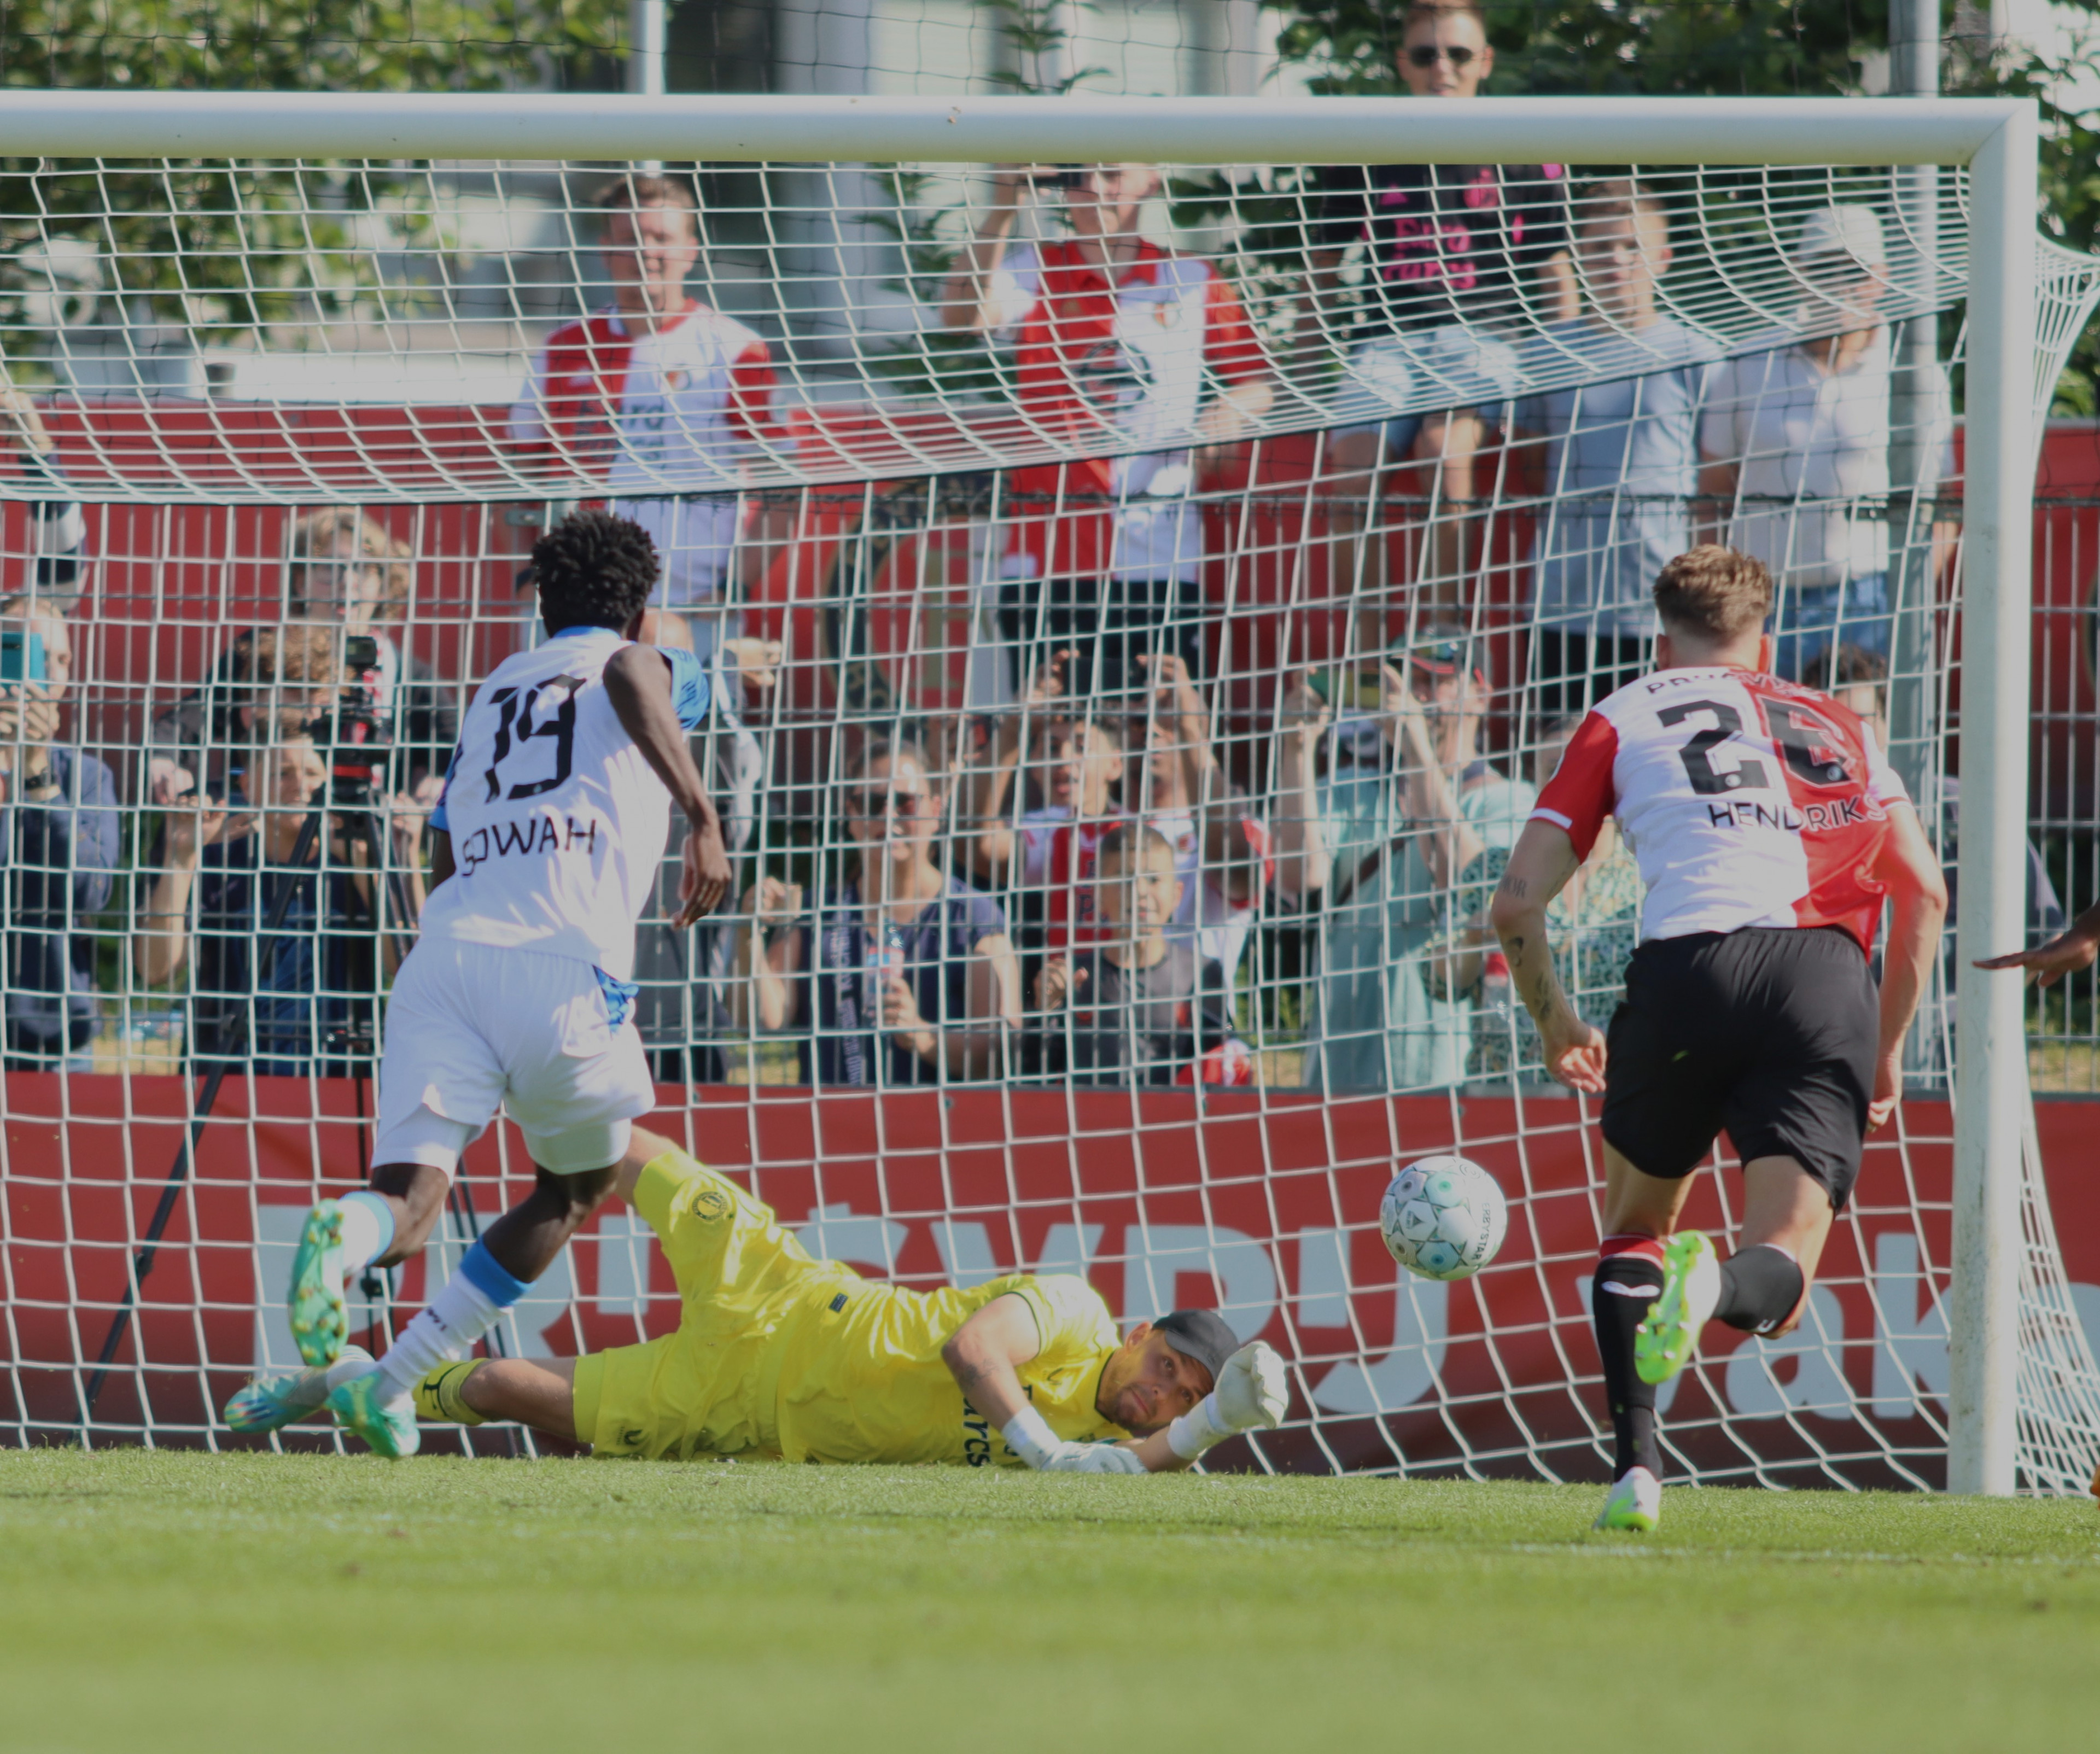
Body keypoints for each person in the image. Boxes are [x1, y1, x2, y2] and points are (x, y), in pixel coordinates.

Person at [254, 509, 734, 1459]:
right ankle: (401, 1370)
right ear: (640, 608)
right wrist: (703, 817)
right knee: (572, 1186)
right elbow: (635, 675)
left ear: (542, 605)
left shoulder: (493, 689)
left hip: (448, 955)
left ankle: (354, 1284)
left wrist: (443, 948)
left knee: (409, 1202)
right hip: (560, 962)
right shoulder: (646, 660)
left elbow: (441, 838)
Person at [1489, 546, 1947, 1533]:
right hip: (1819, 978)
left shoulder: (1623, 713)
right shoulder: (1843, 724)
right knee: (1778, 1267)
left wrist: (1556, 1019)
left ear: (1664, 641)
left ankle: (1637, 1469)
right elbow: (1927, 891)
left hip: (1685, 970)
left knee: (1635, 1226)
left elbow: (1515, 902)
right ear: (1766, 640)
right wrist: (1888, 1045)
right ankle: (1720, 1283)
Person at [229, 1126, 1290, 1472]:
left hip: (744, 1407)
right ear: (1140, 1330)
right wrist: (1046, 1451)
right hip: (786, 1294)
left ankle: (351, 1379)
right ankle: (451, 1121)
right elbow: (974, 1348)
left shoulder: (1107, 1441)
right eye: (1165, 1366)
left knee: (508, 1386)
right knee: (619, 1139)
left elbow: (1148, 1457)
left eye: (1177, 1392)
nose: (1157, 1395)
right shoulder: (1078, 1309)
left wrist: (1218, 1417)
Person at [938, 162, 1273, 700]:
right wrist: (1003, 207)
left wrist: (1229, 407)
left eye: (1112, 172)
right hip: (1049, 562)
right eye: (1077, 174)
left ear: (1154, 178)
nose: (1093, 187)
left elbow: (1258, 382)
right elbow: (958, 316)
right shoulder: (1034, 269)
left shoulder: (1193, 279)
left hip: (1161, 557)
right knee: (1053, 746)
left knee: (1162, 744)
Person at [1298, 0, 1574, 610]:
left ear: (1486, 61)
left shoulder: (1525, 150)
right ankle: (1365, 671)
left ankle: (1440, 643)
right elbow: (1318, 272)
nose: (1441, 68)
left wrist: (1568, 376)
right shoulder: (1365, 149)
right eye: (1426, 54)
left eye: (1457, 54)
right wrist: (1300, 379)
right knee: (1350, 477)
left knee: (1443, 451)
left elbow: (1556, 271)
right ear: (1403, 63)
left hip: (1482, 339)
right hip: (1386, 343)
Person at [509, 172, 785, 676]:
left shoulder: (736, 351)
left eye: (662, 238)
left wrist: (731, 592)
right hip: (577, 612)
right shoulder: (564, 348)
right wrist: (533, 576)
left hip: (696, 609)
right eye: (631, 239)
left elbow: (788, 491)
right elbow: (522, 474)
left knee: (703, 749)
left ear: (692, 249)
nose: (647, 252)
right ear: (605, 249)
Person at [137, 630, 423, 1076]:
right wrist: (181, 860)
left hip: (340, 1076)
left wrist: (392, 865)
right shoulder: (213, 843)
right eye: (281, 773)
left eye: (311, 772)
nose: (300, 785)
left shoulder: (358, 846)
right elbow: (154, 971)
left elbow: (413, 971)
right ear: (246, 786)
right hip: (224, 1073)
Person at [1699, 204, 1956, 683]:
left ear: (1881, 278)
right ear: (1798, 275)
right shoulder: (1746, 362)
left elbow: (1939, 506)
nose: (1839, 283)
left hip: (1870, 597)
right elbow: (1712, 491)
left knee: (1863, 745)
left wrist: (1909, 598)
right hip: (1759, 599)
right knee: (1763, 743)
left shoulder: (1915, 374)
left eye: (1854, 270)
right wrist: (1717, 601)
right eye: (1823, 267)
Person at [1515, 182, 1723, 715]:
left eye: (1631, 246)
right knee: (1560, 755)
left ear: (1663, 257)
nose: (1615, 259)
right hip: (1564, 603)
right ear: (1578, 256)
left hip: (1660, 608)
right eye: (1600, 245)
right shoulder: (1545, 355)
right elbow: (1532, 464)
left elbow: (1716, 481)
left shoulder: (1697, 355)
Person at [1300, 627, 1535, 1091]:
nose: (1419, 697)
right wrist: (1297, 748)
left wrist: (1417, 750)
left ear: (1482, 693)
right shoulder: (1351, 786)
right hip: (1337, 1065)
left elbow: (1474, 888)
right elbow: (1300, 875)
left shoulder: (1508, 800)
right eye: (1410, 683)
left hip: (1441, 1070)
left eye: (1437, 682)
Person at [736, 739, 1020, 1086]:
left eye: (906, 802)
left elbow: (999, 1052)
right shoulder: (816, 912)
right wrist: (749, 935)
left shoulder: (977, 918)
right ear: (851, 816)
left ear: (936, 811)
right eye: (870, 803)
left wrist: (922, 1035)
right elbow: (760, 1020)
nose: (887, 816)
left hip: (938, 1129)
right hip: (830, 1127)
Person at [148, 510, 460, 806]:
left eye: (363, 569)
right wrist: (163, 758)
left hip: (368, 829)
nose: (345, 581)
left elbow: (459, 747)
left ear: (381, 587)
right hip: (272, 824)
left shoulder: (408, 674)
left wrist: (440, 781)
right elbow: (193, 717)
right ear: (299, 581)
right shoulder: (262, 651)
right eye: (328, 566)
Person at [1421, 712, 1643, 1080]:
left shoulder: (1645, 872)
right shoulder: (1495, 868)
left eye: (1580, 763)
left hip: (1617, 1084)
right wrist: (1472, 938)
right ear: (1536, 779)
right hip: (1507, 1086)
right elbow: (1439, 984)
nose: (1568, 777)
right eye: (1553, 767)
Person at [1029, 823, 1250, 1086]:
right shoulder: (1074, 976)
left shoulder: (1200, 975)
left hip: (1172, 1122)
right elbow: (1032, 1070)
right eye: (1125, 880)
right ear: (1098, 896)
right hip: (1090, 1123)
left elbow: (1226, 1061)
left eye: (1154, 879)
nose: (1140, 892)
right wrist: (1041, 1009)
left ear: (1177, 894)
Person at [0, 594, 120, 1069]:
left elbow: (90, 892)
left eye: (62, 658)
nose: (48, 671)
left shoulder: (87, 776)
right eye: (26, 652)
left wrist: (37, 775)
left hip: (54, 1040)